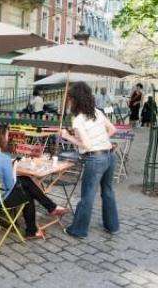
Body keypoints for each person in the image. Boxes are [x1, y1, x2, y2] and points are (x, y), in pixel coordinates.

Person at [0, 125, 69, 239]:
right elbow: (11, 185)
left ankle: (51, 208)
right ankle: (33, 230)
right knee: (28, 194)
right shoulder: (3, 158)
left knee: (26, 180)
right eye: (6, 135)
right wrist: (14, 167)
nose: (7, 138)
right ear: (1, 138)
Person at [60, 82, 119, 238]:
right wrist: (101, 140)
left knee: (87, 195)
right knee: (108, 192)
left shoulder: (78, 120)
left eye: (70, 98)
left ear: (75, 100)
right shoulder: (97, 112)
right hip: (109, 155)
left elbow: (86, 145)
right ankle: (112, 226)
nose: (69, 101)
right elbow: (113, 129)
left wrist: (67, 136)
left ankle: (78, 230)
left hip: (95, 159)